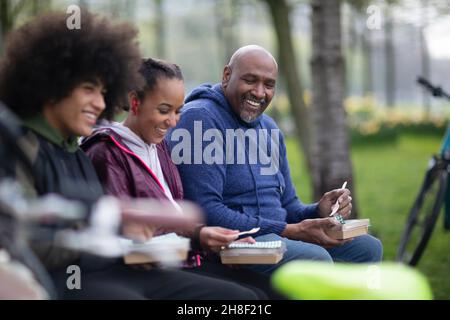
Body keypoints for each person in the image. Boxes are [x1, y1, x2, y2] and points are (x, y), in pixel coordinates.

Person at [0, 11, 260, 299]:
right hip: (64, 282)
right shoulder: (20, 147)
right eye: (88, 89)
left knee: (242, 298)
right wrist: (115, 236)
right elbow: (21, 239)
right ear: (51, 85)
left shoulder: (74, 152)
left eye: (103, 92)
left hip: (117, 271)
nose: (100, 103)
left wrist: (193, 236)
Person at [166, 45, 383, 275]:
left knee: (367, 248)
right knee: (314, 258)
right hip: (234, 242)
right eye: (250, 80)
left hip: (276, 234)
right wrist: (291, 230)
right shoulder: (199, 119)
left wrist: (318, 211)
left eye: (269, 85)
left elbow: (288, 206)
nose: (260, 93)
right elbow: (206, 211)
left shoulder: (269, 129)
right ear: (227, 75)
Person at [81, 57, 282, 299]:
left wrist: (208, 237)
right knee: (245, 298)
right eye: (164, 110)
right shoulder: (108, 152)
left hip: (182, 258)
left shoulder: (159, 146)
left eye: (178, 111)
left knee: (272, 290)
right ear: (135, 103)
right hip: (143, 270)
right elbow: (122, 235)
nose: (173, 121)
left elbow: (173, 218)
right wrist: (196, 239)